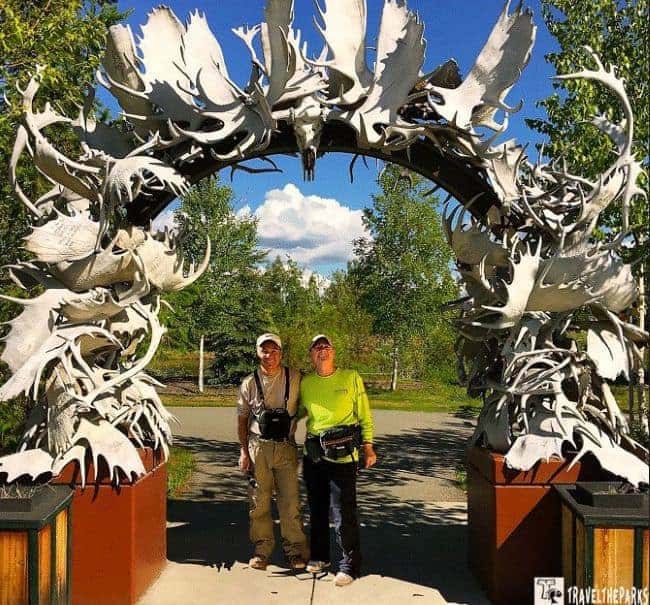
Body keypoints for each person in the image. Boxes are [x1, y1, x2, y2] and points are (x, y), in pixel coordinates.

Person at [298, 334, 377, 587]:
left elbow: (364, 414)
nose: (322, 350)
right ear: (311, 355)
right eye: (317, 347)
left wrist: (368, 446)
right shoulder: (306, 383)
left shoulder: (351, 377)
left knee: (343, 512)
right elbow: (295, 413)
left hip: (343, 456)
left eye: (326, 346)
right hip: (314, 455)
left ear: (333, 352)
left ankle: (349, 565)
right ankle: (320, 557)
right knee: (317, 508)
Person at [237, 333, 309, 571]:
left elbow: (312, 403)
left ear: (281, 352)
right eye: (264, 350)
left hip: (286, 447)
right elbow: (242, 419)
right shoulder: (249, 382)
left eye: (274, 350)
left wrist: (297, 422)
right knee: (259, 502)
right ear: (258, 352)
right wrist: (243, 451)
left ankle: (295, 550)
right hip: (258, 447)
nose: (269, 355)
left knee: (290, 502)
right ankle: (262, 550)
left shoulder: (296, 377)